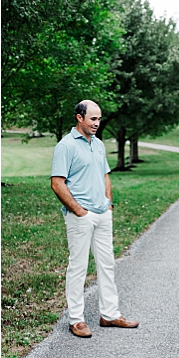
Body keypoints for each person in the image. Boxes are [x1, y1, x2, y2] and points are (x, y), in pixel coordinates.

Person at [50, 100, 139, 338]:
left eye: (99, 119)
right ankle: (76, 320)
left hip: (102, 214)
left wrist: (108, 205)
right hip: (81, 216)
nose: (97, 124)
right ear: (79, 118)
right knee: (78, 267)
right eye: (93, 119)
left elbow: (105, 175)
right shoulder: (65, 146)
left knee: (107, 264)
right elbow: (57, 183)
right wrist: (80, 211)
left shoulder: (98, 145)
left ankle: (110, 314)